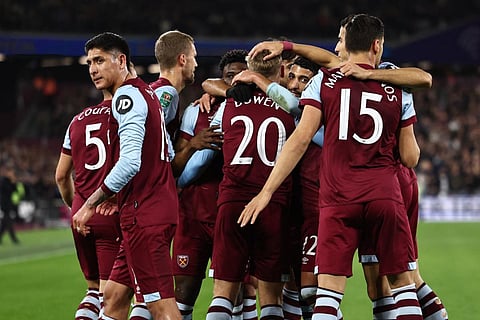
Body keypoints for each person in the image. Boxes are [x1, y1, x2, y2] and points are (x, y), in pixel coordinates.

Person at [239, 14, 424, 319]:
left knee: (327, 294)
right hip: (384, 196)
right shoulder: (398, 88)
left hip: (338, 199)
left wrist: (266, 191)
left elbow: (299, 140)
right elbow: (409, 157)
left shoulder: (323, 81)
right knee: (403, 286)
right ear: (376, 45)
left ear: (346, 45)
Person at [72, 32, 181, 320]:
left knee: (160, 306)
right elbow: (165, 153)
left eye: (99, 60)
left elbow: (130, 161)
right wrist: (125, 195)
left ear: (121, 61)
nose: (93, 69)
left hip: (146, 216)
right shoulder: (148, 93)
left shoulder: (126, 96)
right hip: (142, 210)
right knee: (114, 295)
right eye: (89, 62)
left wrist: (90, 203)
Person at [205, 49, 296, 320]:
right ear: (280, 71)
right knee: (271, 301)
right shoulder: (291, 107)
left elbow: (206, 154)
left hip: (232, 202)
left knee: (222, 295)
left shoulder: (227, 105)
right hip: (274, 204)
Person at [173, 49, 248, 320]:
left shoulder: (258, 110)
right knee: (183, 295)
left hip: (232, 215)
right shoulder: (197, 110)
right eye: (230, 76)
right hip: (192, 215)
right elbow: (176, 165)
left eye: (242, 75)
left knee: (234, 296)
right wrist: (193, 145)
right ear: (221, 78)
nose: (236, 81)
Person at [55, 85, 122, 320]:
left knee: (93, 290)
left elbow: (61, 176)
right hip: (110, 211)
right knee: (113, 298)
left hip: (80, 214)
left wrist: (77, 207)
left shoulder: (76, 121)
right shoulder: (127, 114)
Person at [0, 163, 21, 245]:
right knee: (8, 221)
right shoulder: (3, 181)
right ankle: (14, 238)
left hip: (9, 203)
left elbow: (15, 190)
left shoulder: (10, 181)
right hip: (4, 203)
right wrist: (12, 182)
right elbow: (7, 190)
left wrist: (13, 181)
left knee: (5, 222)